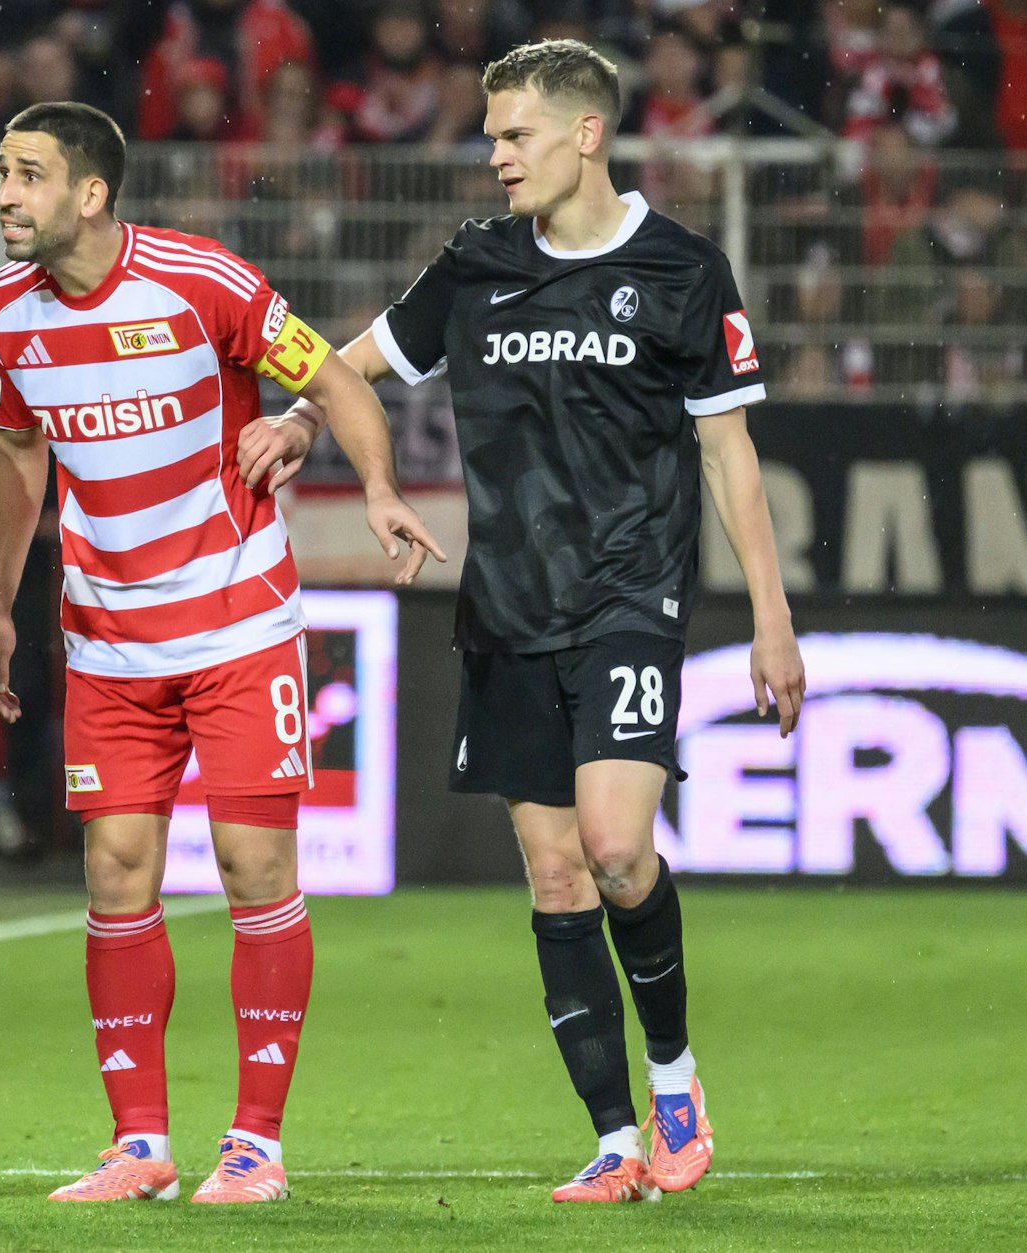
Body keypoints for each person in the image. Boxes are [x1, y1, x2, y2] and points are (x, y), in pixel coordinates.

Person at [254, 40, 807, 1204]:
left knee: (614, 850)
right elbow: (363, 357)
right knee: (554, 878)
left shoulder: (680, 268)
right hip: (505, 609)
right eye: (492, 137)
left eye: (515, 134)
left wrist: (771, 616)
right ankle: (611, 1140)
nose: (497, 156)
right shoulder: (477, 262)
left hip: (628, 597)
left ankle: (672, 1074)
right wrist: (302, 422)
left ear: (585, 134)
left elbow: (727, 452)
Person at [0, 101, 440, 1205]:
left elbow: (332, 379)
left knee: (253, 871)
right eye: (0, 173)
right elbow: (16, 452)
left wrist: (376, 485)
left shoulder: (201, 281)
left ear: (91, 193)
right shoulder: (2, 310)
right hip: (107, 641)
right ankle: (138, 1143)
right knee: (114, 873)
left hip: (236, 628)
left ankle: (255, 1144)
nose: (5, 195)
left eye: (28, 174)